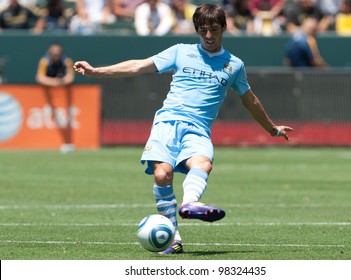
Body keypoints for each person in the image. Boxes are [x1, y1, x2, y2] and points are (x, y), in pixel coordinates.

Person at [74, 4, 293, 254]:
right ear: (196, 30)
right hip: (167, 123)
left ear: (224, 28)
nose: (208, 36)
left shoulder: (234, 65)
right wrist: (96, 72)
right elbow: (138, 66)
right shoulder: (180, 52)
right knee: (161, 175)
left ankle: (190, 204)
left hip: (198, 129)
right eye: (203, 30)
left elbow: (250, 99)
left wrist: (272, 129)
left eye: (213, 30)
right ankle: (173, 237)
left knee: (203, 163)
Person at [36, 42, 75, 153]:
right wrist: (55, 83)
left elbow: (70, 77)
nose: (56, 55)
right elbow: (39, 77)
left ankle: (68, 143)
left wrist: (61, 82)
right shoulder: (44, 61)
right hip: (48, 95)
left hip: (65, 97)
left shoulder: (67, 61)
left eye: (58, 53)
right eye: (53, 53)